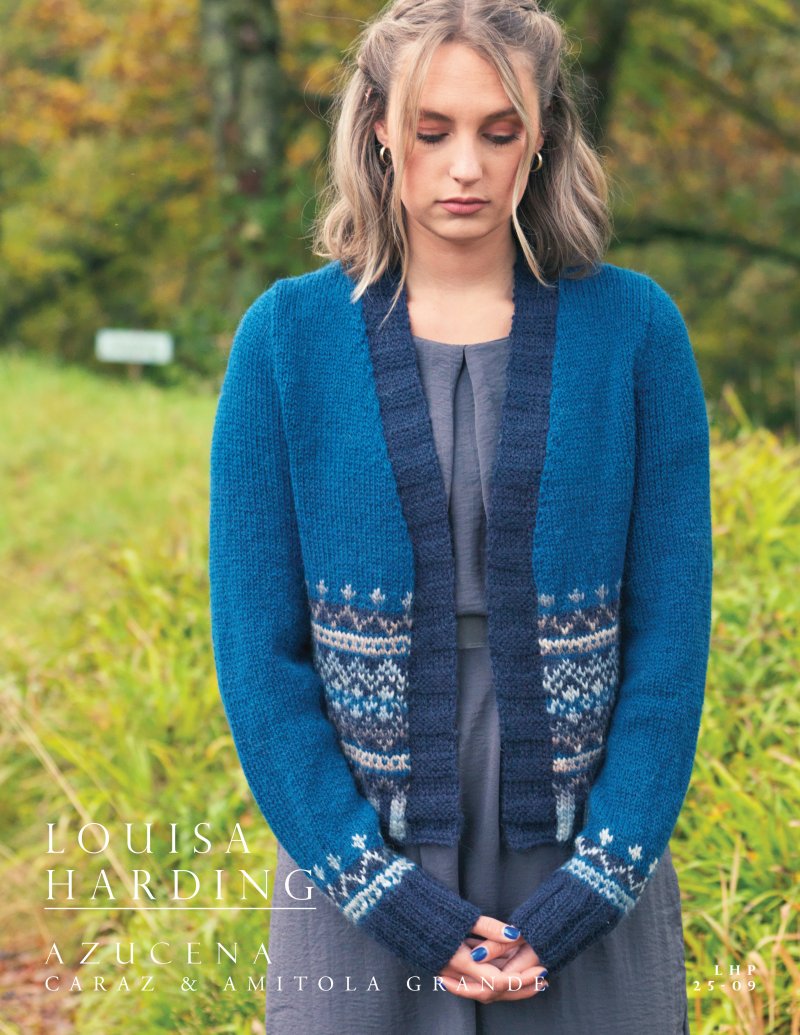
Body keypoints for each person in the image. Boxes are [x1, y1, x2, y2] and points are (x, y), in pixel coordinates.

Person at [208, 1, 712, 1032]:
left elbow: (670, 638)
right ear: (379, 131)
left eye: (499, 130)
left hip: (582, 848)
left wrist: (596, 882)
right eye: (431, 130)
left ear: (542, 138)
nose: (465, 167)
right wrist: (379, 890)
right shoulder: (286, 339)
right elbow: (257, 657)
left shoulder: (635, 331)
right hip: (354, 855)